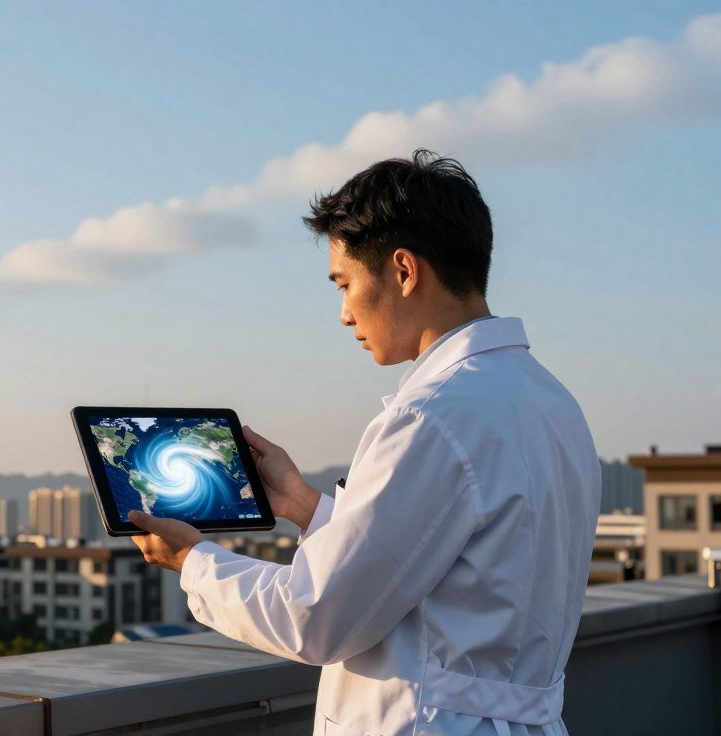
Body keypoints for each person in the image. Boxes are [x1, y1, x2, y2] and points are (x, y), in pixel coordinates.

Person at [128, 149, 601, 736]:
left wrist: (194, 561)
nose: (344, 313)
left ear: (404, 271)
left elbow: (317, 616)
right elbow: (439, 563)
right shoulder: (552, 402)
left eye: (345, 283)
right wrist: (302, 505)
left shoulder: (433, 415)